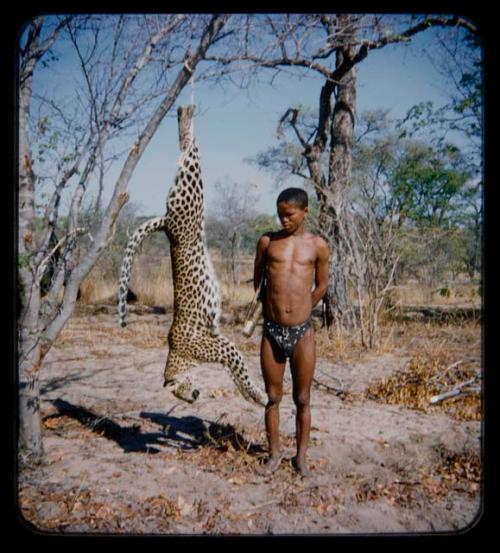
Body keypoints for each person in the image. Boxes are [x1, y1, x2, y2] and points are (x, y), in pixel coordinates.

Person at [253, 187, 329, 477]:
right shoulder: (267, 242)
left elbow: (321, 284)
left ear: (305, 212)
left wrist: (304, 307)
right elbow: (258, 279)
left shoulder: (318, 246)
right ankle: (273, 455)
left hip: (303, 333)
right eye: (279, 214)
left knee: (303, 398)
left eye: (289, 215)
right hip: (272, 331)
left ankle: (301, 458)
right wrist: (271, 306)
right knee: (272, 396)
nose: (283, 220)